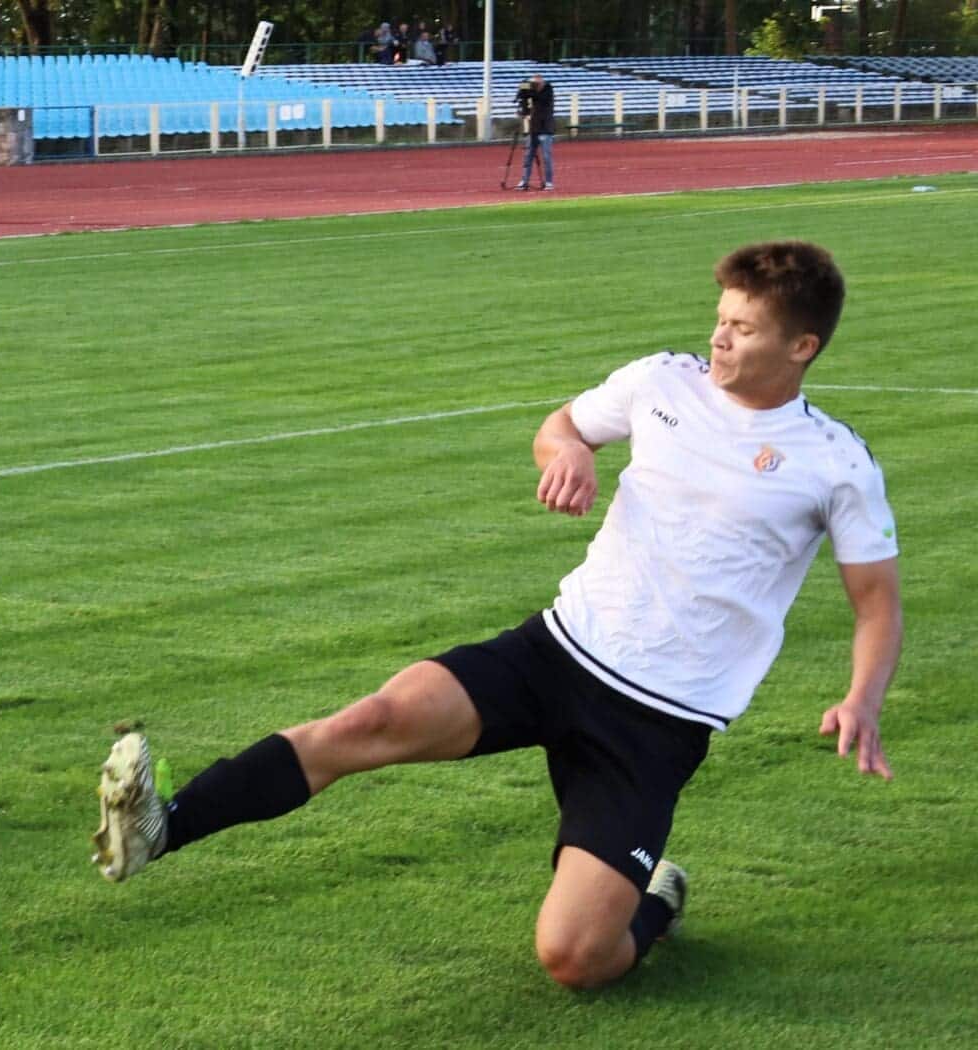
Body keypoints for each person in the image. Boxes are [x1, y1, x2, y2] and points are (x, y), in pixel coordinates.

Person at [89, 241, 901, 991]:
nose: (719, 338)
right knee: (367, 721)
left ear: (802, 346)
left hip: (657, 722)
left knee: (575, 958)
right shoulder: (662, 381)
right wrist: (569, 451)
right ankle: (164, 827)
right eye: (720, 318)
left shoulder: (834, 464)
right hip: (556, 654)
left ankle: (656, 900)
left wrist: (861, 699)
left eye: (744, 329)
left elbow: (877, 605)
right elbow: (561, 427)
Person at [517, 74, 556, 191]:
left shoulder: (548, 89)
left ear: (542, 83)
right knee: (528, 156)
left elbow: (540, 98)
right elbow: (523, 98)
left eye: (536, 84)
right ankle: (524, 180)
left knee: (546, 157)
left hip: (545, 128)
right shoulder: (533, 92)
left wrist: (528, 89)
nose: (533, 86)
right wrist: (523, 91)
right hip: (533, 128)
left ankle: (549, 182)